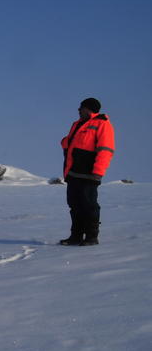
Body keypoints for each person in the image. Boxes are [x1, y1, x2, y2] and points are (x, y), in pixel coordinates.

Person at [59, 97, 115, 246]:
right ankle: (76, 236)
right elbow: (72, 144)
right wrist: (65, 141)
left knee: (89, 205)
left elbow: (106, 150)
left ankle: (91, 237)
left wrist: (98, 172)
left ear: (89, 109)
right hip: (73, 173)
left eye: (81, 107)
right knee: (74, 205)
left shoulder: (102, 123)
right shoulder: (77, 124)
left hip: (89, 174)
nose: (78, 110)